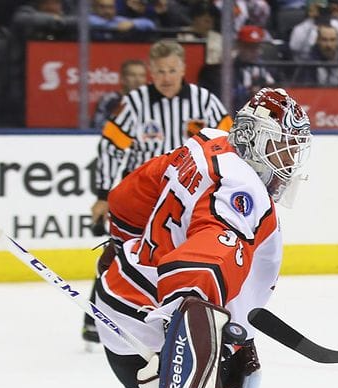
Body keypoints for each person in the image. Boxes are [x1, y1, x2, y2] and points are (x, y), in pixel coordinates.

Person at [0, 87, 313, 388]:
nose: (290, 162)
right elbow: (205, 260)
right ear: (257, 139)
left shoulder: (208, 146)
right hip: (148, 323)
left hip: (125, 295)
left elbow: (130, 194)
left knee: (242, 370)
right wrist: (185, 335)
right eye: (283, 147)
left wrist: (127, 243)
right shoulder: (245, 191)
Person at [87, 40, 232, 344]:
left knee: (180, 253)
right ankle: (97, 313)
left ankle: (171, 315)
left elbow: (227, 142)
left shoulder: (205, 102)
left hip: (188, 194)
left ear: (182, 69)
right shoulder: (136, 103)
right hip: (141, 194)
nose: (166, 77)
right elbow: (110, 148)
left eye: (172, 70)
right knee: (121, 251)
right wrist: (102, 194)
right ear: (151, 71)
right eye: (160, 71)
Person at [92, 59, 147, 129]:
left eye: (142, 75)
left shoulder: (150, 101)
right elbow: (97, 127)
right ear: (122, 79)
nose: (138, 80)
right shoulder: (110, 100)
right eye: (133, 75)